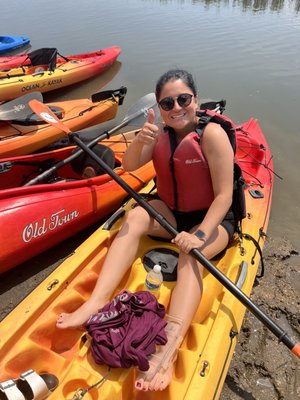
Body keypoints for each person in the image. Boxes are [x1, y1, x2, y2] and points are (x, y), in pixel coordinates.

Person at [56, 69, 235, 391]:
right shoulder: (160, 134)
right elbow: (129, 167)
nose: (176, 107)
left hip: (212, 219)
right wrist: (142, 140)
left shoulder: (212, 135)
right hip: (170, 213)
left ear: (195, 100)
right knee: (136, 216)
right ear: (161, 106)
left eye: (184, 99)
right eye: (168, 102)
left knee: (189, 256)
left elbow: (224, 195)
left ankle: (168, 345)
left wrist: (199, 236)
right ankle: (97, 301)